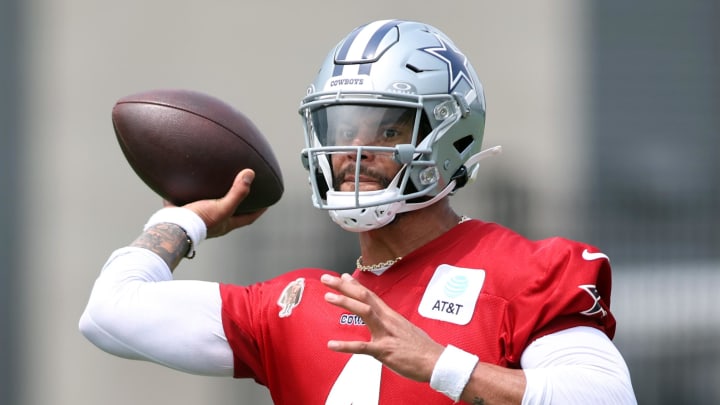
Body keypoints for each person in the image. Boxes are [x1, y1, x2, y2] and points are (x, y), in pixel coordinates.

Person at [79, 19, 637, 404]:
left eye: (387, 128)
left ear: (451, 135)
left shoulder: (527, 271)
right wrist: (184, 219)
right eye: (342, 130)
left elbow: (604, 397)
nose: (353, 153)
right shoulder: (294, 304)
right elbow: (110, 313)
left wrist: (439, 362)